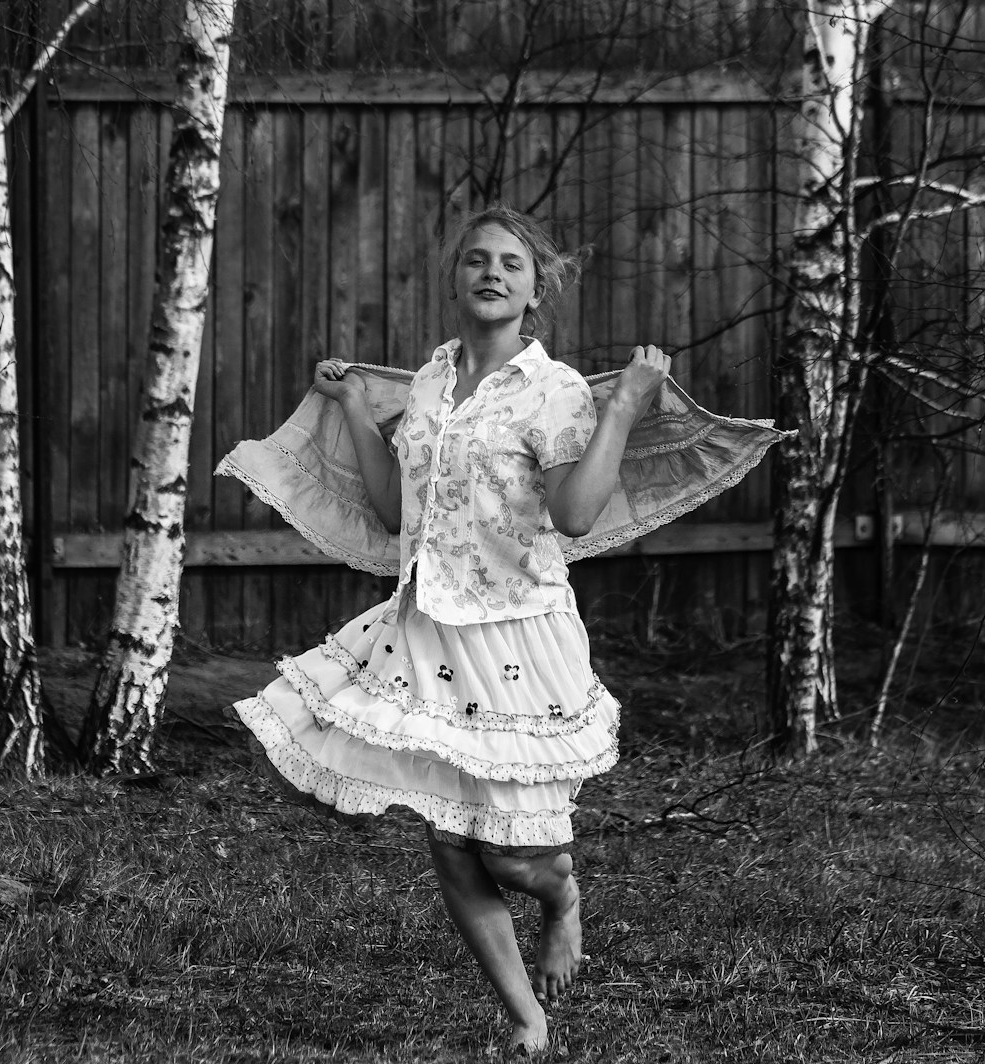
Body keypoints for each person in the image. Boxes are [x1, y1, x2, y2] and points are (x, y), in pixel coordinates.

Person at [223, 204, 781, 1056]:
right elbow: (388, 512)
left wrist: (625, 406)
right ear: (456, 278)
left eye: (512, 265)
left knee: (519, 860)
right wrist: (346, 407)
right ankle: (527, 1019)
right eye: (477, 260)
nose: (492, 273)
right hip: (430, 629)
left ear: (535, 288)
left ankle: (560, 899)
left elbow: (577, 513)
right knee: (449, 836)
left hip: (519, 635)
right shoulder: (430, 381)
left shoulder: (550, 390)